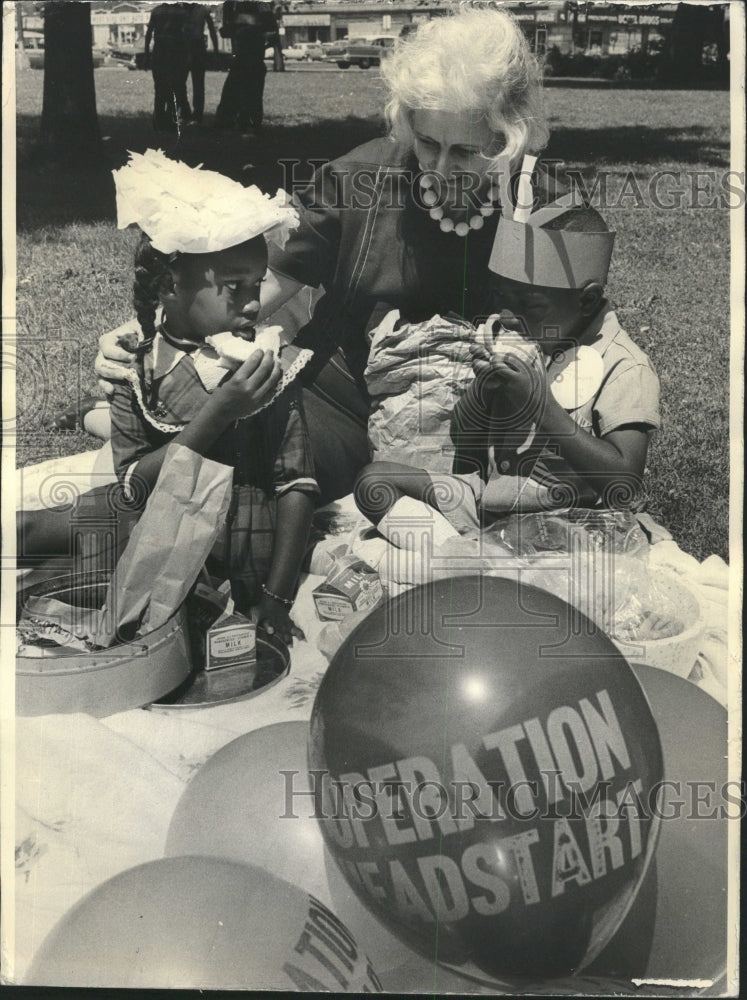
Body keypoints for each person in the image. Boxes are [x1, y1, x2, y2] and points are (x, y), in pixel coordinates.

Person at [95, 8, 553, 503]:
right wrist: (156, 329)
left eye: (465, 151)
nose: (440, 167)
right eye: (426, 142)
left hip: (478, 416)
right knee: (260, 477)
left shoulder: (540, 206)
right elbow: (264, 282)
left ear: (506, 138)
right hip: (339, 397)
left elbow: (579, 326)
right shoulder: (358, 180)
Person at [22, 151, 318, 645]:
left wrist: (278, 595)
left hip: (238, 551)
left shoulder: (273, 367)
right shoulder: (137, 368)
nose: (251, 305)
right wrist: (219, 410)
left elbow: (297, 484)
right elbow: (133, 488)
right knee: (49, 542)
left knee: (85, 561)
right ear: (168, 287)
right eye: (232, 288)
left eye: (256, 284)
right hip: (150, 530)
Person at [353, 198, 660, 542]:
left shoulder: (623, 366)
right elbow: (466, 452)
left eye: (529, 305)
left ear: (586, 301)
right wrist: (481, 394)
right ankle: (458, 557)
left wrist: (542, 408)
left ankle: (464, 557)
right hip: (487, 504)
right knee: (373, 483)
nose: (508, 317)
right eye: (501, 298)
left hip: (568, 522)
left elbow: (624, 482)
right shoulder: (521, 337)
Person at [214, 0, 277, 134]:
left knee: (249, 89)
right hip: (244, 53)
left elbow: (271, 27)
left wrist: (246, 31)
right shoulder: (234, 5)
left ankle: (246, 123)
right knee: (239, 89)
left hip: (252, 53)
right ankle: (236, 121)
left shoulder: (259, 4)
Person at [144, 2, 191, 131]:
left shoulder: (156, 11)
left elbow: (149, 33)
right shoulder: (181, 12)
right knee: (175, 85)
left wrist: (147, 53)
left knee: (159, 86)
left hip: (159, 50)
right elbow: (186, 34)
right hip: (176, 50)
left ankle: (158, 119)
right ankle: (171, 119)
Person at [183, 3, 220, 124]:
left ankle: (197, 114)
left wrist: (215, 49)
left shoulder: (202, 9)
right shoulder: (179, 9)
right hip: (184, 46)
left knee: (198, 82)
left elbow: (211, 28)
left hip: (196, 46)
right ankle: (185, 111)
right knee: (180, 81)